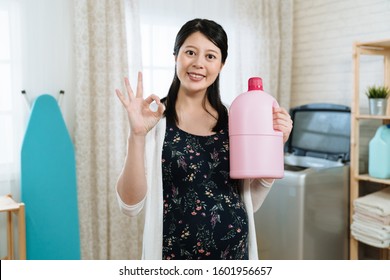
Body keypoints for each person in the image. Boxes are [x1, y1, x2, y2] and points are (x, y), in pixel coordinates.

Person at [115, 18, 293, 260]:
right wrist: (136, 135)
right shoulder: (154, 121)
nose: (198, 63)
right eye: (190, 52)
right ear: (176, 56)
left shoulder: (235, 118)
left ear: (221, 64)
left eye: (210, 56)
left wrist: (274, 145)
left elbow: (250, 201)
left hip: (235, 258)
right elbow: (130, 205)